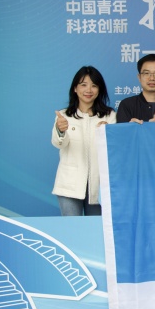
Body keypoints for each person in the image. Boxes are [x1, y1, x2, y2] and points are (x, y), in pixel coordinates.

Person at [52, 66, 116, 216]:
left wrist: (107, 133)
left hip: (99, 184)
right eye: (83, 85)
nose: (89, 90)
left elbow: (114, 150)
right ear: (75, 88)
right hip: (69, 183)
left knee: (96, 228)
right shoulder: (64, 115)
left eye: (94, 85)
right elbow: (59, 143)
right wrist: (61, 130)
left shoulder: (109, 115)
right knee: (71, 227)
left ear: (99, 90)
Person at [117, 54, 155, 123]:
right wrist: (132, 127)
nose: (152, 78)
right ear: (139, 77)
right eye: (146, 73)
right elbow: (122, 130)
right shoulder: (126, 105)